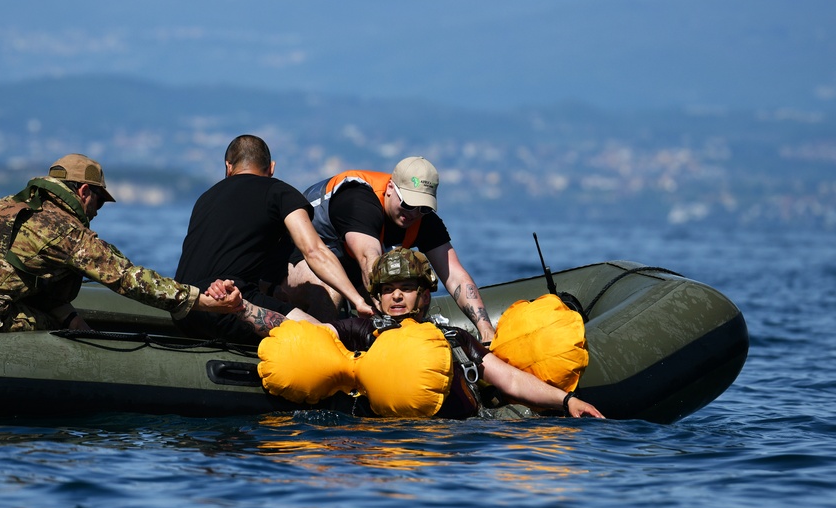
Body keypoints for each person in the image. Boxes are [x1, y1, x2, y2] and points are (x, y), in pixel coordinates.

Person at [0, 154, 241, 332]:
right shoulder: (68, 231)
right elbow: (128, 278)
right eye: (99, 203)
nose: (98, 212)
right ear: (83, 191)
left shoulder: (6, 204)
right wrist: (202, 301)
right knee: (50, 328)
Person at [328, 248, 604, 419]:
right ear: (377, 297)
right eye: (388, 289)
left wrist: (567, 400)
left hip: (450, 442)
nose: (396, 295)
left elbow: (510, 379)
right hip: (381, 440)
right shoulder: (360, 332)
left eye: (406, 287)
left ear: (424, 296)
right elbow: (319, 335)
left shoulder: (454, 339)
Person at [174, 134, 374, 344]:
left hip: (185, 310)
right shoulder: (280, 193)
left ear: (228, 167)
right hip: (229, 306)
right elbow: (314, 251)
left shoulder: (205, 198)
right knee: (322, 337)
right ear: (271, 167)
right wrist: (358, 301)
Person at [283, 156, 496, 342]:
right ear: (391, 188)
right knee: (330, 292)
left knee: (414, 295)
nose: (413, 213)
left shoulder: (423, 218)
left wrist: (485, 330)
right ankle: (324, 361)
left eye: (422, 207)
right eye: (408, 203)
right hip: (290, 262)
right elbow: (370, 259)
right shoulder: (358, 200)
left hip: (346, 267)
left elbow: (455, 275)